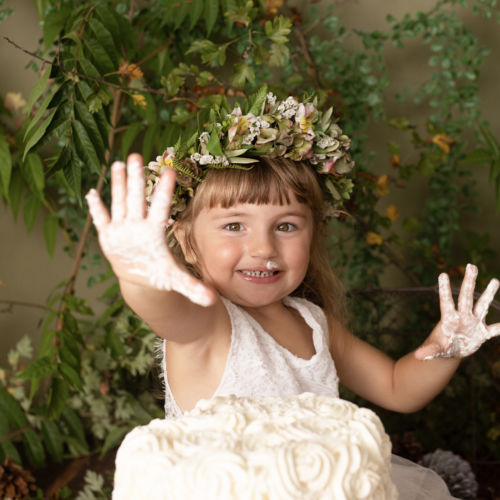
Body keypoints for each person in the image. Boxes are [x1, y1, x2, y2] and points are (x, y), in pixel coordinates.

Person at [86, 89, 499, 499]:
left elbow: (397, 387)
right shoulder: (207, 322)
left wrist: (445, 348)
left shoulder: (313, 322)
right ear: (187, 242)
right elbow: (163, 309)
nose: (263, 247)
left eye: (285, 226)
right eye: (234, 226)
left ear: (313, 234)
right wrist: (139, 276)